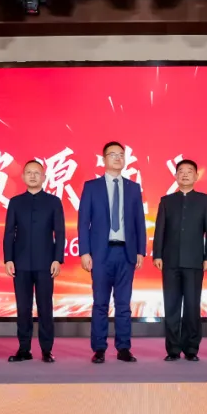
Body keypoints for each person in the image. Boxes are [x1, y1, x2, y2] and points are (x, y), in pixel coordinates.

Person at [78, 141, 147, 364]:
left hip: (126, 253)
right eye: (113, 154)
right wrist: (85, 252)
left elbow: (139, 222)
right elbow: (83, 222)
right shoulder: (92, 187)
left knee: (124, 304)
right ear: (104, 159)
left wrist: (141, 251)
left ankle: (123, 348)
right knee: (100, 302)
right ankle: (99, 348)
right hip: (101, 253)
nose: (118, 158)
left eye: (121, 155)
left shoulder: (133, 188)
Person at [152, 159, 207, 361]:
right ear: (176, 176)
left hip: (195, 262)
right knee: (171, 307)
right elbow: (159, 230)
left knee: (192, 307)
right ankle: (172, 350)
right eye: (181, 171)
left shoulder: (205, 201)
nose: (185, 174)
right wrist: (157, 254)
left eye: (190, 171)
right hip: (170, 262)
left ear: (196, 176)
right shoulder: (166, 201)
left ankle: (191, 349)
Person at [4, 160, 65, 363]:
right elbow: (9, 233)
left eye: (36, 173)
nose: (32, 176)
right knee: (23, 308)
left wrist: (57, 259)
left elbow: (60, 232)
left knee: (45, 307)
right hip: (20, 263)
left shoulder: (53, 202)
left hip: (46, 262)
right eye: (28, 172)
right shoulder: (15, 202)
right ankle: (24, 349)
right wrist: (8, 259)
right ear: (23, 177)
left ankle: (47, 349)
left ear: (44, 177)